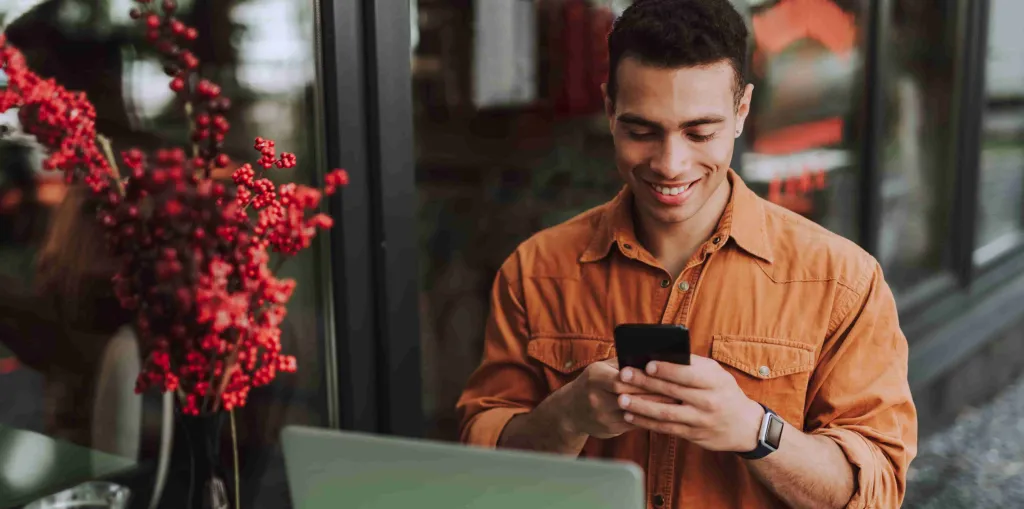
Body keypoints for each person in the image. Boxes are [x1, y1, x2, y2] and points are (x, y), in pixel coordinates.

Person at [455, 1, 917, 508]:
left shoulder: (842, 282)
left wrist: (753, 429)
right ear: (609, 109)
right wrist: (565, 418)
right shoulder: (535, 271)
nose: (671, 164)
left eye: (700, 132)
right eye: (641, 131)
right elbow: (485, 465)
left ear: (742, 112)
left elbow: (875, 492)